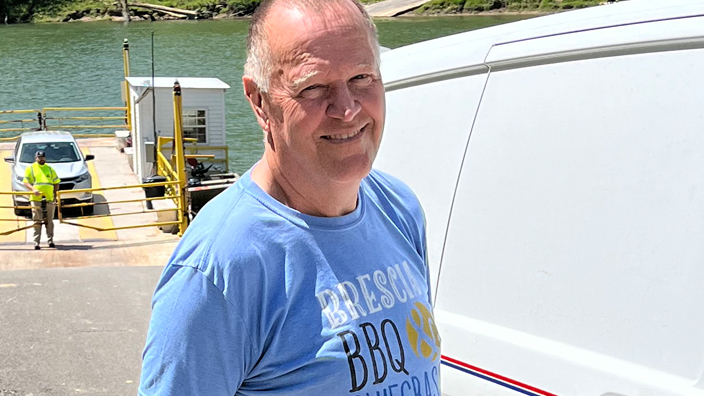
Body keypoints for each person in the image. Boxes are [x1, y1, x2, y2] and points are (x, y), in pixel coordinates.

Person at [139, 0, 441, 394]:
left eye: (362, 77)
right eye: (313, 87)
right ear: (259, 101)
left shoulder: (399, 208)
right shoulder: (219, 271)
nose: (347, 109)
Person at [23, 150, 60, 250]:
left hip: (49, 198)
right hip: (36, 198)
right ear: (36, 158)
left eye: (43, 157)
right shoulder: (30, 168)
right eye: (39, 158)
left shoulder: (50, 169)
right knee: (37, 220)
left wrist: (55, 195)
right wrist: (33, 189)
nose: (41, 159)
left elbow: (56, 182)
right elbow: (26, 182)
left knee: (50, 220)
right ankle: (36, 242)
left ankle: (50, 240)